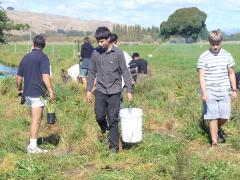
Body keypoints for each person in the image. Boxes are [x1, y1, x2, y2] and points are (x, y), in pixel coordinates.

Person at [86, 27, 133, 153]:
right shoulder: (95, 53)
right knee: (99, 116)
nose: (99, 44)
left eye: (102, 41)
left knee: (113, 118)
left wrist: (129, 90)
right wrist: (88, 90)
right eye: (98, 42)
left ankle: (113, 148)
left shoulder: (118, 53)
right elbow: (92, 72)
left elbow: (125, 71)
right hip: (100, 89)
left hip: (115, 91)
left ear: (108, 39)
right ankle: (105, 130)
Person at [16, 34, 56, 153]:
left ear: (33, 44)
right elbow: (45, 76)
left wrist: (20, 90)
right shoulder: (43, 57)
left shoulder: (26, 57)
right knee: (36, 120)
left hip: (27, 94)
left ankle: (31, 144)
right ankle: (33, 147)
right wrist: (51, 91)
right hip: (37, 94)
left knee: (35, 118)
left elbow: (18, 78)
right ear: (44, 46)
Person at [197, 30, 237, 147]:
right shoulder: (204, 56)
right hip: (210, 90)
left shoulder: (227, 55)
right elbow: (201, 76)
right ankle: (214, 143)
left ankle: (217, 128)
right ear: (209, 42)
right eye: (213, 44)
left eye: (217, 44)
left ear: (221, 42)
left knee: (225, 116)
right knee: (213, 117)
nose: (215, 46)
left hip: (224, 90)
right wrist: (204, 92)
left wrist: (234, 90)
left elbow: (231, 73)